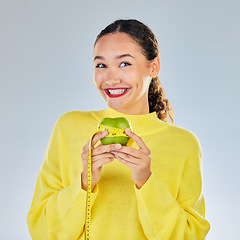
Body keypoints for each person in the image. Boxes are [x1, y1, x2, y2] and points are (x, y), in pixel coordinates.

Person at [27, 19, 210, 239]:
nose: (111, 78)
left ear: (154, 67)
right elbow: (41, 230)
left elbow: (190, 236)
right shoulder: (68, 127)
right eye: (101, 65)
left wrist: (147, 182)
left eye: (124, 64)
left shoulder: (184, 144)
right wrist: (84, 183)